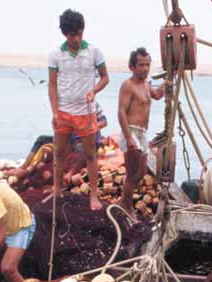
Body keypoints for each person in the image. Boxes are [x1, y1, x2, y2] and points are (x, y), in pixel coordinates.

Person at [48, 9, 109, 211]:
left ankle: (94, 196)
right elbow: (52, 84)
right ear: (64, 33)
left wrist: (94, 91)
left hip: (86, 112)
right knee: (59, 153)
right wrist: (55, 112)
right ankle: (57, 189)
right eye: (72, 35)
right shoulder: (55, 54)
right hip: (64, 111)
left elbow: (105, 78)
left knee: (90, 155)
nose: (76, 38)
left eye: (79, 33)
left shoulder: (94, 51)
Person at [117, 47, 165, 217]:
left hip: (142, 133)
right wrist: (128, 137)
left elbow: (157, 95)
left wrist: (169, 80)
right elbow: (121, 112)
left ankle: (123, 202)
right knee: (132, 173)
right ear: (132, 67)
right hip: (131, 131)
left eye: (147, 65)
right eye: (141, 65)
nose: (145, 68)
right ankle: (127, 207)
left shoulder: (146, 84)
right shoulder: (128, 85)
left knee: (141, 173)